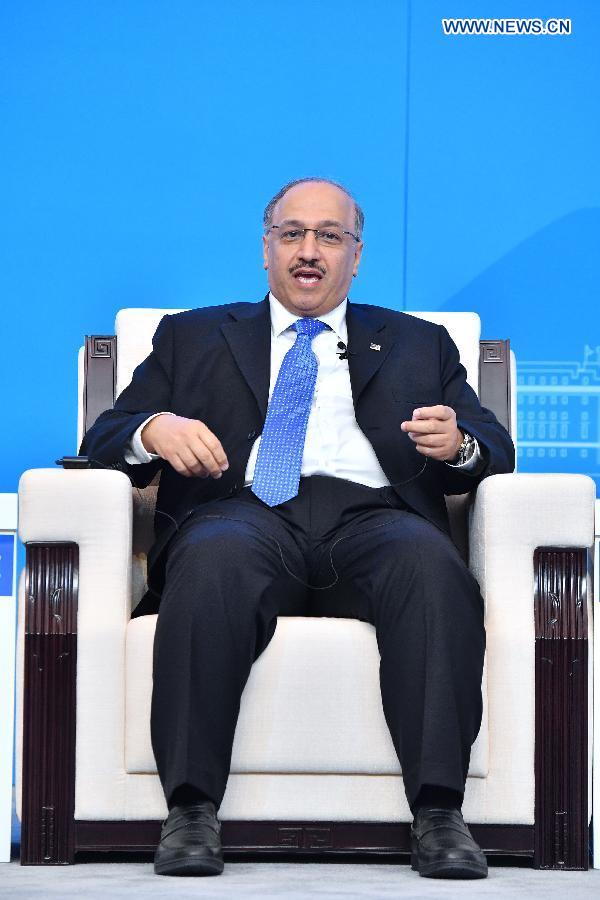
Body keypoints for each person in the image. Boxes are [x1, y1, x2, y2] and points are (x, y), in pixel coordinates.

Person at [81, 177, 515, 880]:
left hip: (375, 519)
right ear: (267, 248)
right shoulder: (192, 336)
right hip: (243, 513)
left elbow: (494, 445)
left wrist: (458, 444)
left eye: (329, 236)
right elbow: (103, 438)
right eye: (292, 234)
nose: (308, 250)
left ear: (356, 255)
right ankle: (190, 810)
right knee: (211, 561)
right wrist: (154, 429)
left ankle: (439, 813)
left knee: (432, 568)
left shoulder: (419, 343)